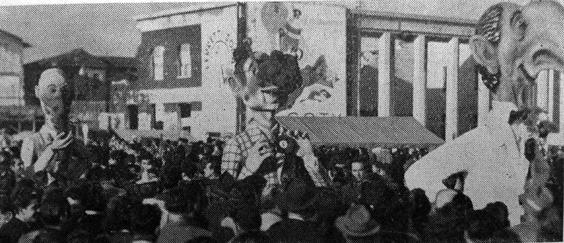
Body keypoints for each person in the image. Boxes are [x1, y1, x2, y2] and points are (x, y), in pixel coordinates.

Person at [405, 1, 564, 226]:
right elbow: (415, 175)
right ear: (486, 52)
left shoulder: (528, 134)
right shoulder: (479, 141)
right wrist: (461, 210)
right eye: (519, 26)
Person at [221, 39, 328, 198]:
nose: (269, 82)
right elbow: (224, 197)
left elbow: (325, 196)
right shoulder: (236, 145)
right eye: (255, 71)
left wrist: (309, 158)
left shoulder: (294, 140)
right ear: (237, 86)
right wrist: (249, 169)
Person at [20, 68, 90, 184]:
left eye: (64, 91)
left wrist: (69, 177)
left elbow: (85, 162)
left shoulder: (71, 140)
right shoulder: (32, 141)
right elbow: (27, 175)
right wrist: (51, 150)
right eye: (52, 90)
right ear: (37, 92)